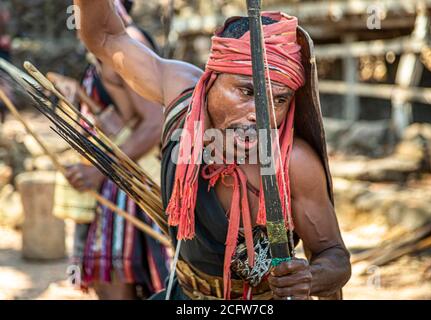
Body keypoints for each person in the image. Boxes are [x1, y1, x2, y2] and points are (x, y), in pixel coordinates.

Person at [74, 0, 352, 300]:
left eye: (280, 100)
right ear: (212, 79)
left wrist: (309, 277)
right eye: (246, 91)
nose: (261, 113)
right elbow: (105, 36)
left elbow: (335, 256)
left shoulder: (292, 162)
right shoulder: (180, 92)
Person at [65, 0, 169, 300]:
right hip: (115, 179)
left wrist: (100, 171)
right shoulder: (102, 42)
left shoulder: (127, 43)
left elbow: (154, 123)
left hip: (130, 183)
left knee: (126, 285)